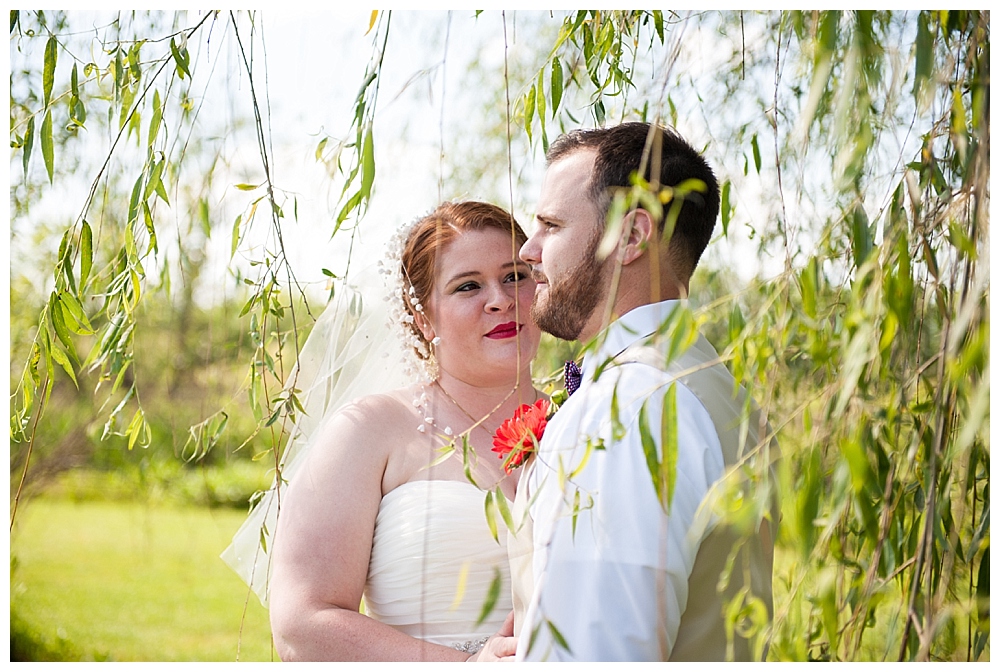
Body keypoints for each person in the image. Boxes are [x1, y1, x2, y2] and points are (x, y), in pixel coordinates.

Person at [224, 201, 542, 661]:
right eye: (467, 286)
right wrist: (469, 667)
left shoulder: (586, 417)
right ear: (422, 318)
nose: (500, 299)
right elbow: (301, 624)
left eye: (515, 275)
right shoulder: (370, 429)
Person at [510, 122, 777, 661]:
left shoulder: (627, 407)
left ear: (631, 236)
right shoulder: (718, 391)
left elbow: (595, 648)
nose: (528, 250)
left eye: (551, 226)